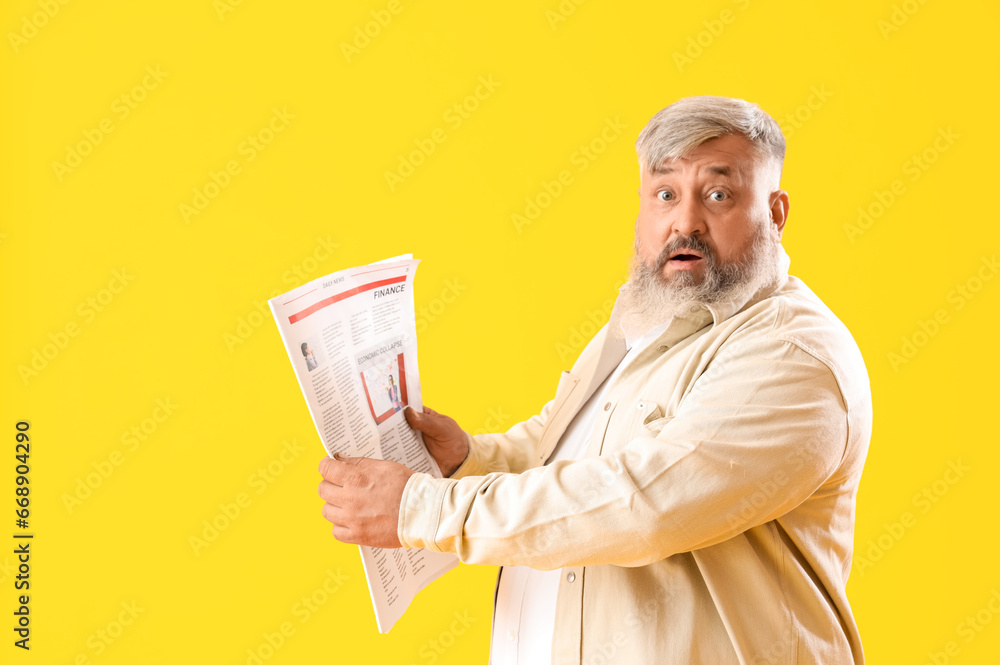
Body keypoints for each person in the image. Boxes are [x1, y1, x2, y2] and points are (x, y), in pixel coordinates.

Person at [317, 96, 872, 664]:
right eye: (665, 194)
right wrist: (470, 459)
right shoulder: (647, 320)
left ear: (776, 213)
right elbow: (565, 448)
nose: (685, 222)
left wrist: (424, 509)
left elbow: (643, 502)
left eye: (718, 194)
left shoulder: (793, 353)